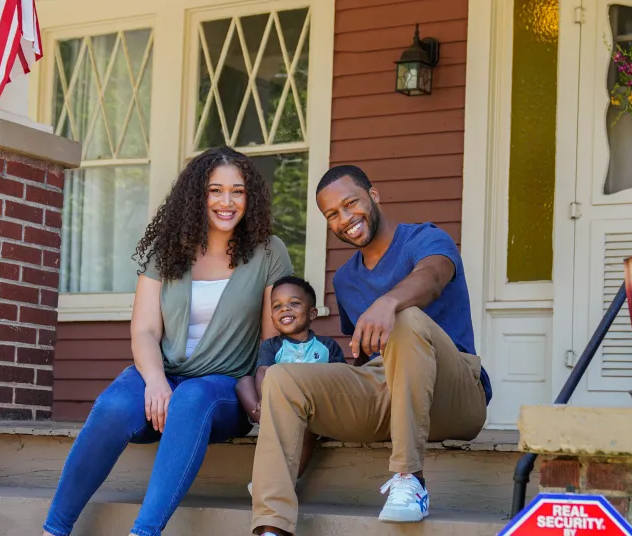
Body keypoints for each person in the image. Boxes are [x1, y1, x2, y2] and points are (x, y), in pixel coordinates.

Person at [41, 146, 293, 536]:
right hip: (165, 378)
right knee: (113, 405)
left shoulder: (268, 252)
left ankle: (144, 532)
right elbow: (144, 330)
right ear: (197, 195)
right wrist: (156, 381)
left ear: (250, 197)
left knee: (193, 397)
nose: (227, 202)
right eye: (215, 191)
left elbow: (269, 342)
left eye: (238, 191)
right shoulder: (167, 250)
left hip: (224, 391)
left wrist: (268, 407)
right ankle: (53, 530)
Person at [250, 165, 493, 536]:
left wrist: (388, 303)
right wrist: (328, 405)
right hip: (389, 396)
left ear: (374, 196)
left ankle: (410, 479)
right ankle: (271, 524)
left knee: (405, 318)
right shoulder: (345, 279)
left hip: (456, 395)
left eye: (351, 204)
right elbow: (364, 359)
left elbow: (431, 278)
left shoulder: (425, 239)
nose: (345, 219)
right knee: (282, 378)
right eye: (332, 214)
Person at [235, 275, 346, 491]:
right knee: (244, 383)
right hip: (277, 407)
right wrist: (266, 402)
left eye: (294, 303)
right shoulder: (272, 346)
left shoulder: (326, 346)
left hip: (313, 413)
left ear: (312, 313)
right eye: (277, 306)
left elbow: (341, 379)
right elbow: (264, 372)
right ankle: (266, 417)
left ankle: (287, 480)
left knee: (305, 430)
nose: (285, 309)